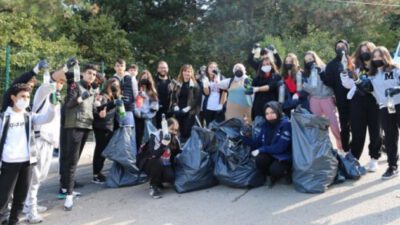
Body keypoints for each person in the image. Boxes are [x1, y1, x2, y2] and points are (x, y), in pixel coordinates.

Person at [0, 83, 56, 225]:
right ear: (13, 98)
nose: (25, 99)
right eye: (22, 96)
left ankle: (14, 220)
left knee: (21, 195)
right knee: (4, 196)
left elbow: (47, 118)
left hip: (27, 162)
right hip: (9, 161)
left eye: (27, 97)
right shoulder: (4, 117)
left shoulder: (29, 116)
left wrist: (53, 105)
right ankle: (2, 219)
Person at [23, 69, 66, 224]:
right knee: (34, 177)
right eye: (59, 81)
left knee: (41, 176)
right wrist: (65, 69)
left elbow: (53, 119)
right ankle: (30, 210)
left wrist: (56, 142)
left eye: (62, 83)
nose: (60, 84)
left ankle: (28, 204)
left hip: (49, 142)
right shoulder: (42, 93)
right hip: (39, 139)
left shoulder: (56, 98)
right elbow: (48, 85)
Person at [61, 64, 104, 210]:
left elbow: (92, 110)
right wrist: (81, 98)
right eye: (89, 73)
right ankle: (68, 196)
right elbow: (69, 105)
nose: (91, 76)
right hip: (74, 126)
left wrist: (101, 109)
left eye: (93, 74)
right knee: (71, 162)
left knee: (75, 159)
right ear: (84, 74)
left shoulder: (92, 90)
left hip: (86, 126)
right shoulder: (75, 85)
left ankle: (67, 187)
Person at [357, 46, 400, 179]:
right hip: (384, 107)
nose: (376, 59)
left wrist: (397, 88)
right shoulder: (372, 74)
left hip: (399, 103)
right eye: (374, 57)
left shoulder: (395, 69)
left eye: (379, 56)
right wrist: (359, 83)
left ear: (385, 56)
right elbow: (366, 88)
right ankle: (392, 166)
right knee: (390, 137)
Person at [340, 41, 382, 172]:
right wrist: (345, 72)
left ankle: (374, 158)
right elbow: (347, 85)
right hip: (358, 100)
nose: (365, 53)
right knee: (357, 130)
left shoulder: (379, 66)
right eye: (362, 50)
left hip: (374, 100)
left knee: (375, 130)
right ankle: (354, 157)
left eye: (367, 50)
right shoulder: (355, 66)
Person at [241, 101, 292, 187]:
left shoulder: (286, 124)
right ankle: (267, 175)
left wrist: (262, 149)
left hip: (283, 156)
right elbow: (258, 143)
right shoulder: (266, 125)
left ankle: (284, 174)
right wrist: (245, 137)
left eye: (272, 112)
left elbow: (280, 147)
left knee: (275, 169)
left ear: (278, 111)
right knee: (260, 160)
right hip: (271, 154)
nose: (270, 115)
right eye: (267, 113)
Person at [302, 51, 343, 150]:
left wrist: (305, 86)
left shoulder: (324, 68)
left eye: (311, 59)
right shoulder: (305, 73)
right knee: (317, 126)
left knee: (334, 125)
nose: (309, 62)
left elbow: (329, 82)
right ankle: (323, 149)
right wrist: (303, 84)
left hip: (327, 98)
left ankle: (342, 147)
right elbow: (312, 88)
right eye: (306, 60)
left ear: (315, 58)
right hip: (314, 99)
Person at [137, 118, 181, 199]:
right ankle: (153, 186)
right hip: (149, 162)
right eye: (171, 129)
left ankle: (159, 181)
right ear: (165, 128)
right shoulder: (155, 136)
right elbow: (153, 154)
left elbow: (178, 153)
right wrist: (163, 145)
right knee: (158, 161)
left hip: (164, 164)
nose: (174, 132)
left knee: (170, 176)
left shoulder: (175, 138)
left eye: (176, 130)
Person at [321, 40, 352, 152]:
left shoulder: (352, 61)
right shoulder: (331, 64)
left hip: (356, 98)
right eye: (338, 47)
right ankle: (345, 149)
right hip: (341, 98)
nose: (340, 48)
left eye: (342, 46)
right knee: (344, 125)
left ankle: (354, 148)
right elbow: (329, 82)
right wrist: (322, 76)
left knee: (357, 124)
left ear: (347, 48)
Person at [92, 79, 121, 184]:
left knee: (102, 151)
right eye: (113, 84)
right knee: (100, 151)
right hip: (101, 127)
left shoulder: (114, 96)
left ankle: (98, 173)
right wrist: (112, 104)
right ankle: (96, 174)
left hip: (109, 127)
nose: (115, 86)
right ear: (108, 84)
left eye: (117, 84)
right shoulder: (102, 96)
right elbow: (98, 109)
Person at [170, 64, 200, 142]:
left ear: (191, 73)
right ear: (182, 72)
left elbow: (196, 100)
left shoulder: (195, 85)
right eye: (185, 71)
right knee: (176, 131)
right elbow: (173, 98)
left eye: (189, 71)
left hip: (189, 113)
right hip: (178, 112)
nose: (187, 73)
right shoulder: (177, 84)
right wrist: (175, 106)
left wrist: (187, 109)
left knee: (186, 133)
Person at [246, 56, 281, 120]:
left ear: (271, 65)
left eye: (267, 64)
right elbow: (250, 89)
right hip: (258, 111)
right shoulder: (257, 78)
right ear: (261, 66)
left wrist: (257, 89)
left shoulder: (276, 76)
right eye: (264, 65)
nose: (265, 66)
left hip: (272, 110)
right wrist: (247, 86)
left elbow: (270, 86)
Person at [134, 70, 159, 148]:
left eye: (146, 77)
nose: (144, 79)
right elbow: (134, 104)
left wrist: (149, 114)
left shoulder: (152, 91)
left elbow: (155, 106)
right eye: (143, 77)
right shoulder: (136, 90)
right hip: (138, 117)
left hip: (149, 118)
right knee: (138, 137)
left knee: (149, 137)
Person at [155, 61, 172, 128]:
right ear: (158, 69)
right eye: (161, 68)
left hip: (170, 112)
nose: (163, 70)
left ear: (167, 69)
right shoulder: (153, 82)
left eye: (164, 68)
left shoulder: (172, 82)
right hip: (157, 113)